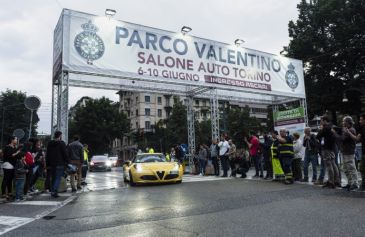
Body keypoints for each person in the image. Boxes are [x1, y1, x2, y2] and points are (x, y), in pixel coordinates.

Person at [334, 116, 359, 191]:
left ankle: (355, 183)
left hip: (349, 152)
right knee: (346, 168)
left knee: (351, 168)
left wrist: (335, 133)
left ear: (348, 122)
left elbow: (342, 139)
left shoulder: (351, 130)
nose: (342, 122)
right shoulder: (346, 129)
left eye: (344, 121)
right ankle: (350, 182)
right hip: (345, 151)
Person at [316, 116, 340, 189]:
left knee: (329, 165)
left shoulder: (326, 128)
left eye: (321, 121)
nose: (320, 122)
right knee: (333, 164)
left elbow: (318, 136)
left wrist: (321, 129)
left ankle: (331, 182)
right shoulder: (332, 126)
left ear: (324, 121)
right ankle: (336, 180)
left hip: (326, 148)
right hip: (332, 147)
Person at [46, 131, 68, 198]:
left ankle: (52, 190)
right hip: (60, 163)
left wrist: (47, 163)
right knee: (58, 178)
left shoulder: (50, 143)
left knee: (53, 177)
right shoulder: (62, 143)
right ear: (60, 136)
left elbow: (47, 154)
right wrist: (67, 162)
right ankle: (54, 191)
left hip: (52, 163)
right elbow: (64, 153)